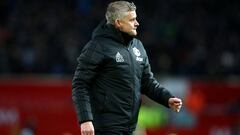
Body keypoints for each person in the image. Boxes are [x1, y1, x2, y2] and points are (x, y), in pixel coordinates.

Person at [72, 1, 182, 135]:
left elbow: (147, 82)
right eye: (132, 20)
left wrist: (167, 98)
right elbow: (80, 84)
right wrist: (85, 120)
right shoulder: (97, 47)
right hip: (105, 129)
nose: (137, 23)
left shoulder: (138, 46)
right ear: (118, 23)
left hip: (130, 128)